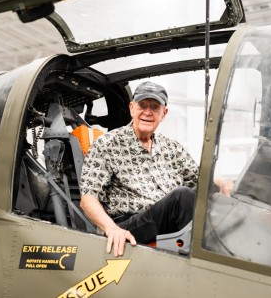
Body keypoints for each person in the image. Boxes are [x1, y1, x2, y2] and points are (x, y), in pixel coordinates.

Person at [80, 81, 198, 257]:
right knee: (182, 196)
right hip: (129, 224)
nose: (147, 113)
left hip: (166, 220)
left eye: (154, 107)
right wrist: (111, 229)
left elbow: (199, 183)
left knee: (211, 201)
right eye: (142, 106)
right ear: (132, 108)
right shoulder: (107, 144)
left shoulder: (173, 149)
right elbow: (88, 199)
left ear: (163, 113)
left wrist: (221, 185)